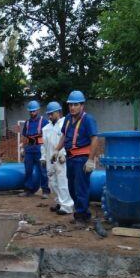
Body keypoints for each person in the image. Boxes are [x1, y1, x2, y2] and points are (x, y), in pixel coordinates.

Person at [56, 90, 98, 223]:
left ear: (82, 105)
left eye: (76, 105)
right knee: (72, 188)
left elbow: (95, 139)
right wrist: (57, 150)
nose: (72, 107)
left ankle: (82, 215)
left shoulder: (88, 119)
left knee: (81, 188)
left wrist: (91, 160)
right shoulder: (68, 119)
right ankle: (80, 211)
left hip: (82, 159)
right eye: (70, 105)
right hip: (70, 158)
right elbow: (64, 136)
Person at [41, 101, 74, 215]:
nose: (50, 116)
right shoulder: (46, 128)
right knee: (52, 182)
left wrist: (64, 154)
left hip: (61, 159)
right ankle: (59, 202)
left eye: (52, 113)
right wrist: (43, 157)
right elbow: (44, 145)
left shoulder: (65, 124)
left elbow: (68, 140)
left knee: (63, 181)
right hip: (51, 159)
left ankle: (67, 206)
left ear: (59, 112)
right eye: (48, 114)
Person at [20, 100, 49, 198]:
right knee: (28, 170)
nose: (32, 113)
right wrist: (23, 149)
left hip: (40, 149)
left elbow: (48, 136)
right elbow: (24, 137)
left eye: (34, 111)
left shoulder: (44, 121)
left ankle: (45, 190)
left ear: (38, 110)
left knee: (42, 170)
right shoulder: (27, 123)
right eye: (31, 111)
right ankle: (28, 190)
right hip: (29, 150)